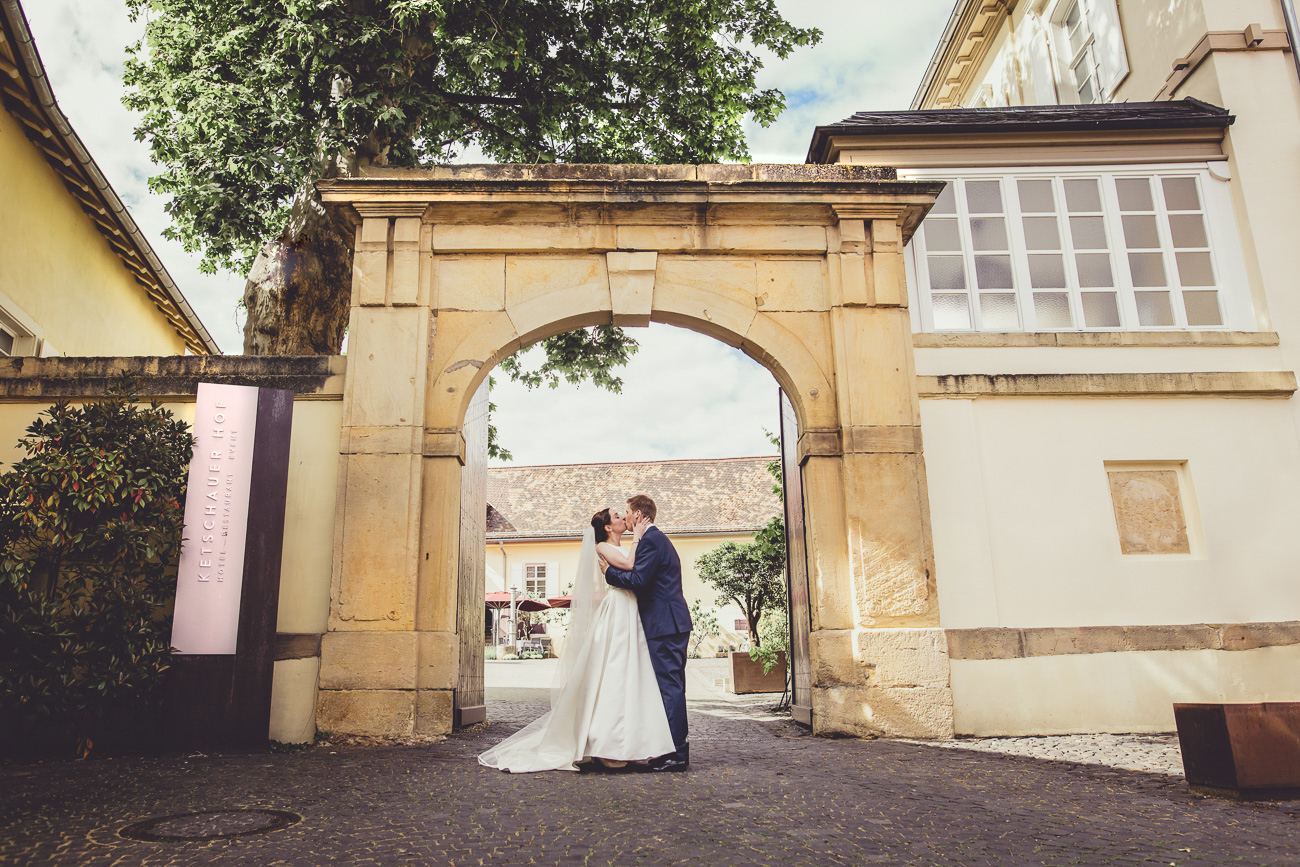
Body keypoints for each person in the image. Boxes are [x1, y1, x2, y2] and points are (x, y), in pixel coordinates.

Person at [477, 507, 675, 773]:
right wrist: (638, 536)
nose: (623, 519)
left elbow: (634, 570)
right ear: (607, 527)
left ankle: (624, 742)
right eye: (617, 517)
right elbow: (630, 565)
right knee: (614, 670)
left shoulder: (618, 546)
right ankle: (605, 744)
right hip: (618, 609)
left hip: (629, 609)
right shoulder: (603, 547)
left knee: (629, 673)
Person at [601, 494, 693, 772]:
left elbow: (639, 580)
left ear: (639, 515)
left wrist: (609, 574)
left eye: (627, 512)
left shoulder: (651, 540)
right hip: (666, 623)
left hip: (665, 625)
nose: (626, 518)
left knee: (670, 688)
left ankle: (677, 753)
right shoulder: (652, 539)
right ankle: (667, 748)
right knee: (668, 687)